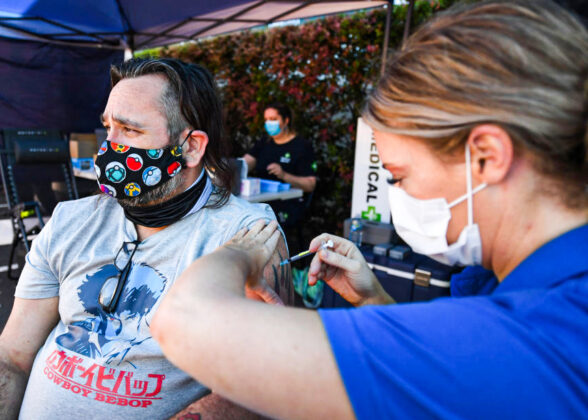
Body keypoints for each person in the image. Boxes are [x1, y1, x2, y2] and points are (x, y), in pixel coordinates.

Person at [150, 1, 588, 419]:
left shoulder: (537, 335)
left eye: (398, 176)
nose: (398, 197)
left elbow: (185, 319)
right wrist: (374, 298)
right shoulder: (515, 290)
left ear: (487, 157)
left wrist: (242, 252)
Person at [0, 58, 293, 419]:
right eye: (108, 128)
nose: (107, 148)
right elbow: (11, 355)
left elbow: (256, 391)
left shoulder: (247, 236)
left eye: (130, 131)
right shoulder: (71, 220)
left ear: (191, 148)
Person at [242, 103, 317, 229]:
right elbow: (245, 163)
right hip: (261, 204)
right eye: (266, 120)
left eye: (273, 119)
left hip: (287, 205)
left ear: (286, 120)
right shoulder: (264, 143)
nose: (269, 123)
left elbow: (310, 184)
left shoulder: (301, 146)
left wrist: (284, 175)